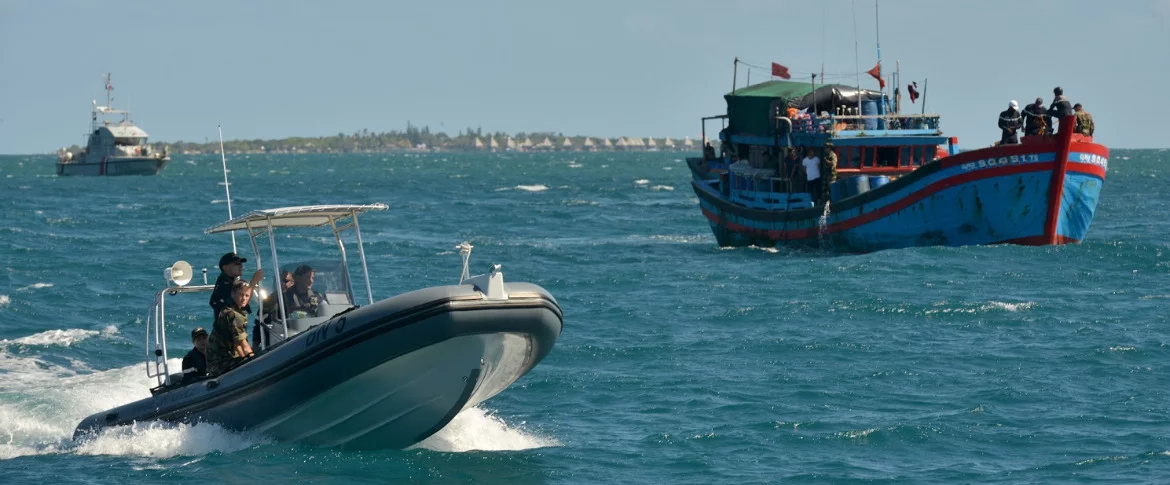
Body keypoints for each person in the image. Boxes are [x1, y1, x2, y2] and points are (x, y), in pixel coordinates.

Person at [207, 280, 255, 376]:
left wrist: (246, 357)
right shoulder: (232, 314)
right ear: (233, 294)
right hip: (220, 364)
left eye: (247, 295)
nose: (244, 299)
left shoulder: (236, 311)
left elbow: (236, 343)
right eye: (241, 294)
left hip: (223, 359)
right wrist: (255, 361)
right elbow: (242, 343)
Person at [210, 252, 264, 320]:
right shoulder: (225, 286)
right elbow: (241, 303)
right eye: (237, 264)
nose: (241, 266)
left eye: (241, 263)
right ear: (225, 268)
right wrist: (254, 281)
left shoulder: (226, 282)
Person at [253, 270, 293, 348]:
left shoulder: (295, 299)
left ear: (293, 283)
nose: (282, 283)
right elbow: (258, 325)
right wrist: (254, 346)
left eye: (285, 281)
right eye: (279, 281)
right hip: (275, 342)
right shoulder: (269, 301)